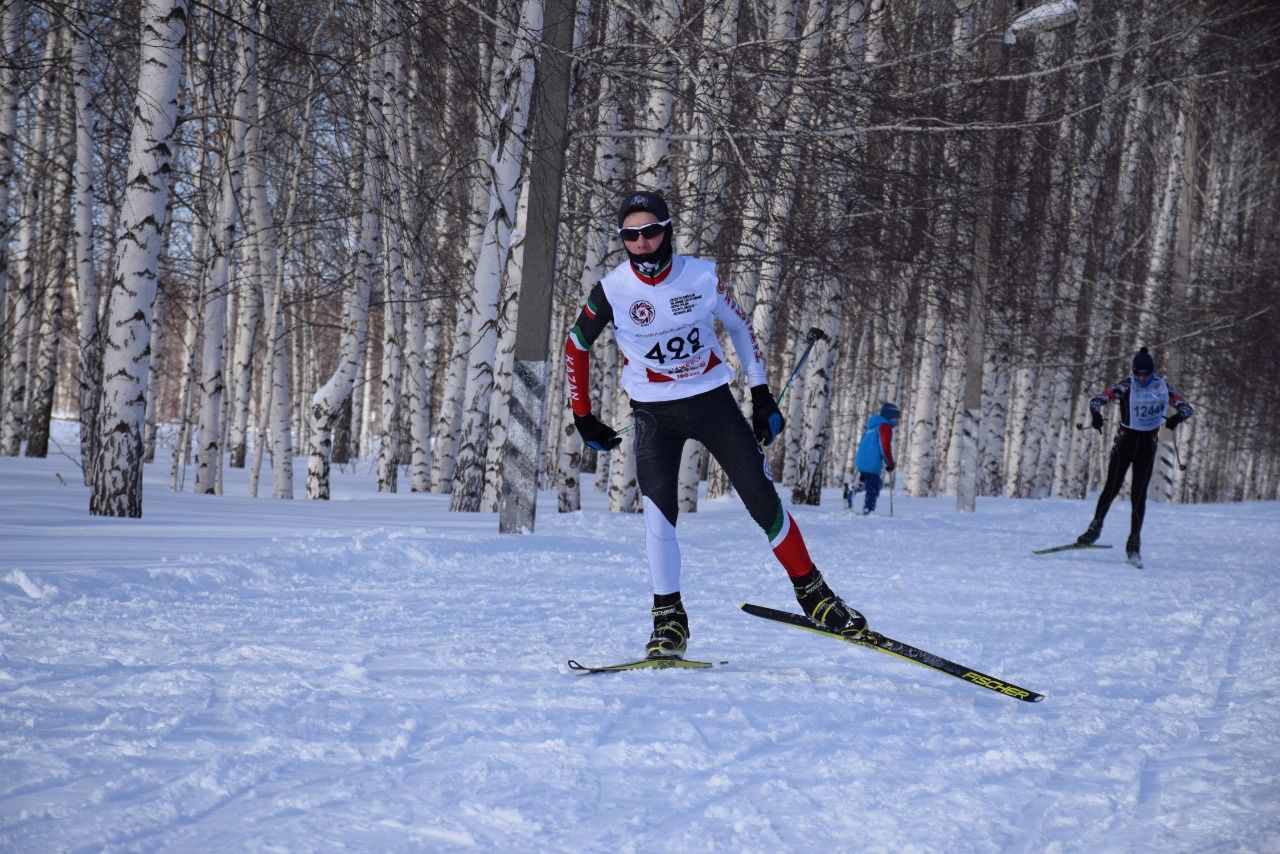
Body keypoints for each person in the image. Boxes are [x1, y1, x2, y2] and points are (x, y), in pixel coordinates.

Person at [564, 190, 867, 659]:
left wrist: (761, 393)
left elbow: (742, 327)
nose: (641, 243)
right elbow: (576, 345)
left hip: (712, 402)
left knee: (761, 499)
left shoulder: (700, 276)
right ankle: (669, 622)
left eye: (650, 232)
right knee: (659, 513)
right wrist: (583, 415)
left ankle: (815, 596)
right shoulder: (612, 290)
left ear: (667, 230)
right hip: (652, 414)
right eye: (630, 235)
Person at [1075, 347, 1195, 563]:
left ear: (1152, 372)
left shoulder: (1162, 387)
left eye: (1145, 374)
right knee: (1111, 488)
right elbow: (1097, 400)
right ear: (1133, 371)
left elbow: (1187, 409)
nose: (1141, 378)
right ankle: (1095, 528)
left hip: (1148, 446)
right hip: (1125, 442)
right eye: (1137, 373)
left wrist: (1176, 419)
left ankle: (1134, 542)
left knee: (1138, 496)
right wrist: (1096, 415)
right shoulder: (1125, 386)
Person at [853, 402, 899, 515]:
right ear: (889, 415)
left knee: (875, 484)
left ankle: (852, 491)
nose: (896, 421)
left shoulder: (873, 426)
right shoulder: (885, 427)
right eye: (895, 417)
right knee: (873, 488)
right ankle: (868, 511)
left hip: (862, 460)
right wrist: (890, 462)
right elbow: (884, 446)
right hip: (871, 463)